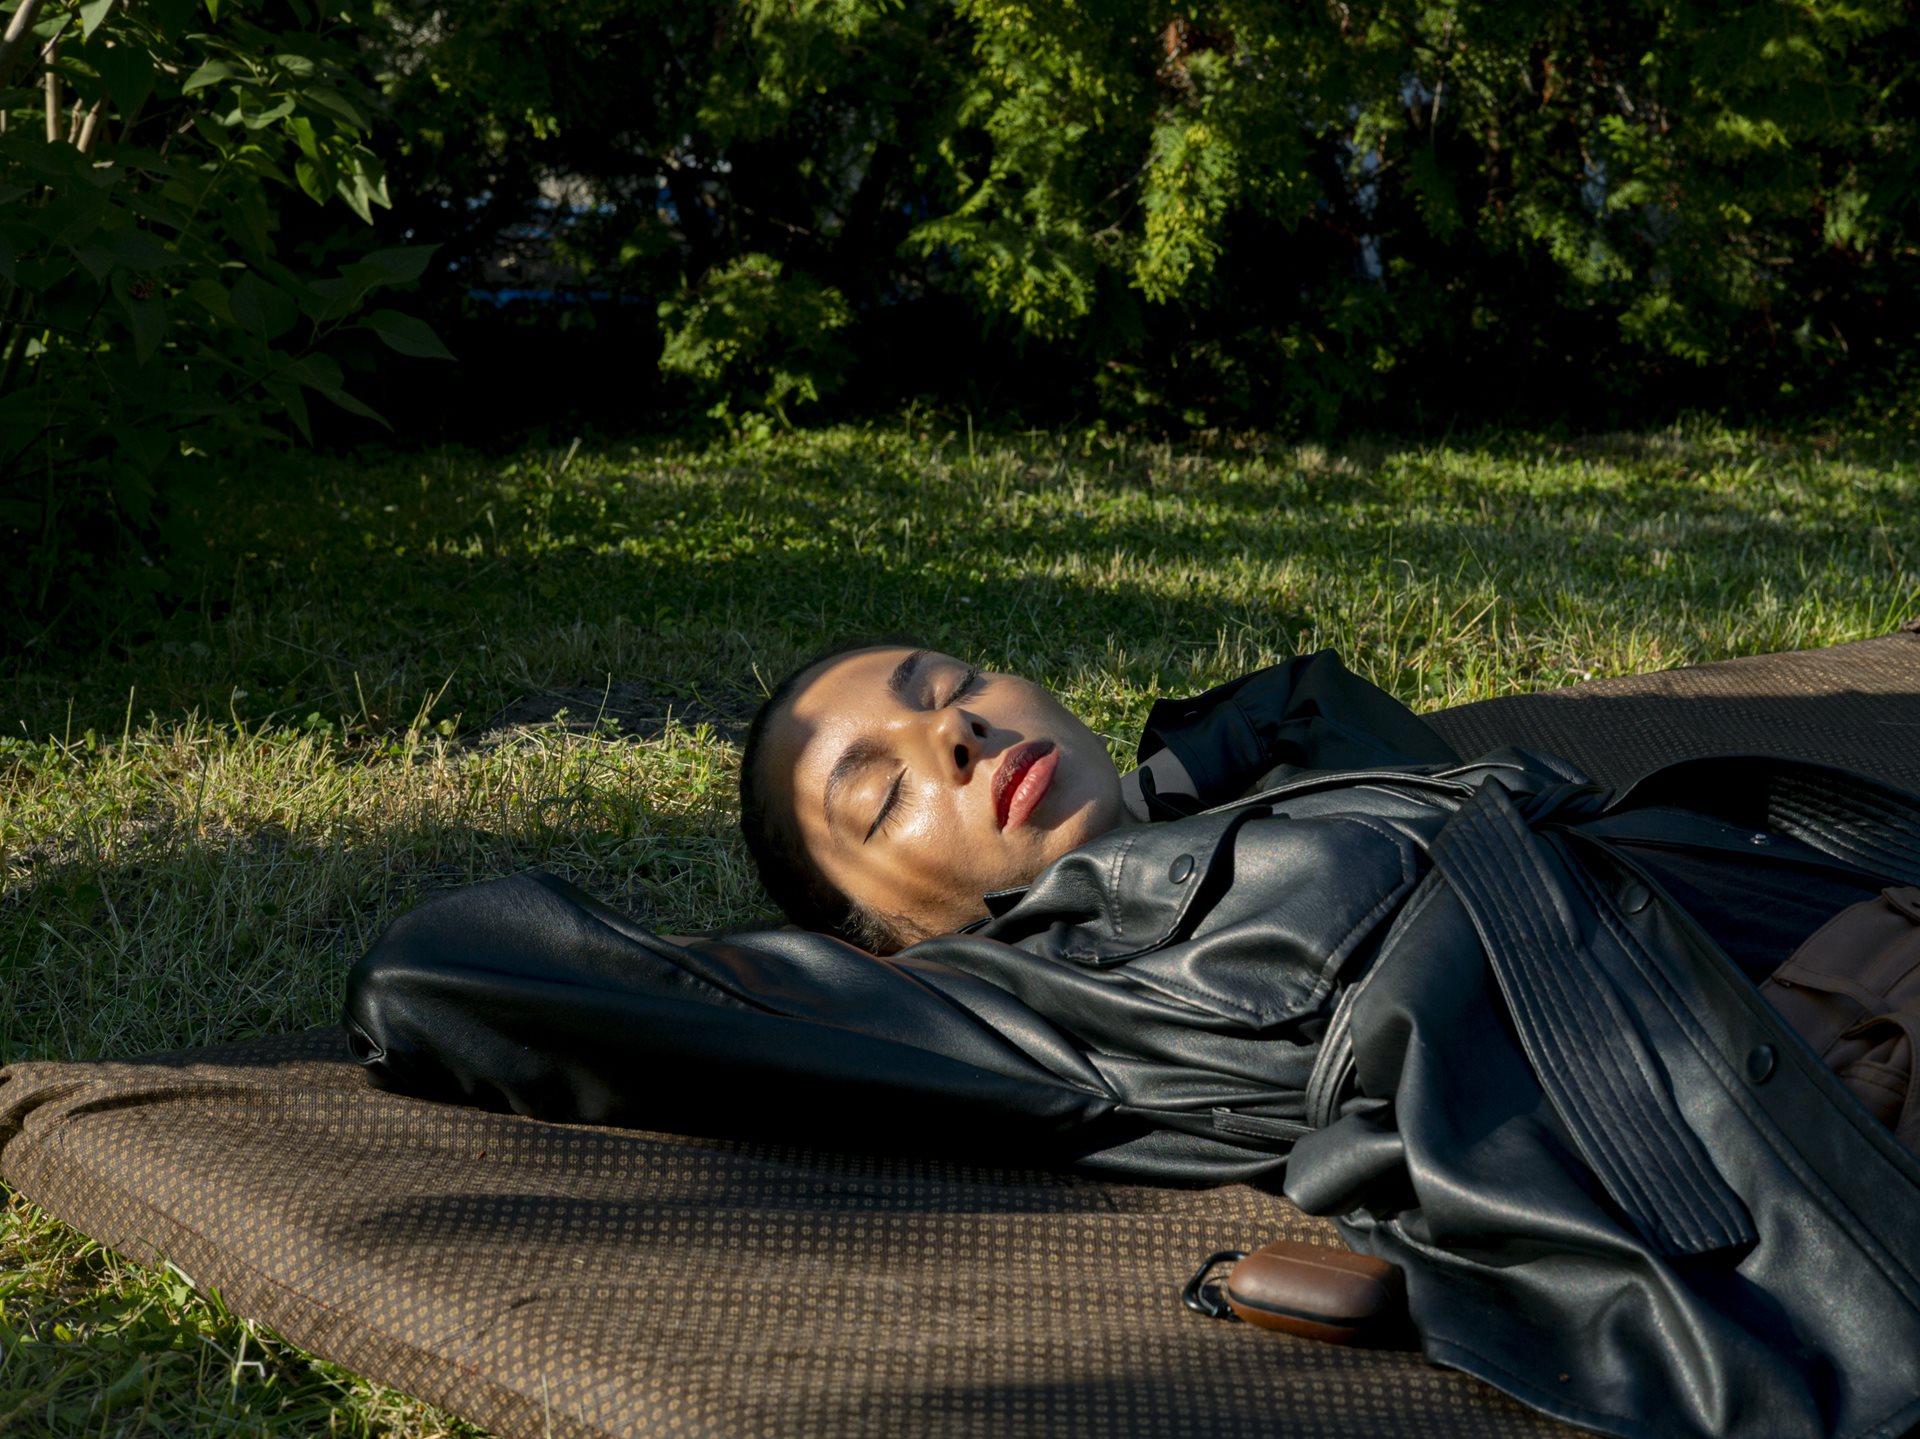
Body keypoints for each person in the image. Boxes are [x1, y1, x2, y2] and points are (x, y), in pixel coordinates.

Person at [346, 644, 1920, 1439]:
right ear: (887, 942)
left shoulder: (1247, 821)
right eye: (886, 794)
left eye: (950, 688)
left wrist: (1174, 789)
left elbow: (1310, 706)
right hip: (1825, 1121)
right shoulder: (1038, 994)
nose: (956, 736)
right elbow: (449, 979)